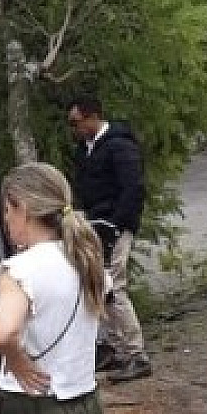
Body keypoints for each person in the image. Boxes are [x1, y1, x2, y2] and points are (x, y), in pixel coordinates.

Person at [0, 162, 107, 414]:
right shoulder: (86, 260)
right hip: (86, 407)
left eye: (7, 211)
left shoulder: (21, 270)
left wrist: (16, 358)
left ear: (22, 209)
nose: (6, 220)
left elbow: (1, 332)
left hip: (31, 412)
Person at [67, 96, 151, 383]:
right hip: (95, 224)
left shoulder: (119, 145)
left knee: (114, 286)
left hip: (114, 226)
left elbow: (134, 188)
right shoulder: (85, 150)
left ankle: (136, 354)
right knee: (99, 286)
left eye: (77, 122)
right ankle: (115, 349)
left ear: (92, 117)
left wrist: (116, 225)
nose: (74, 129)